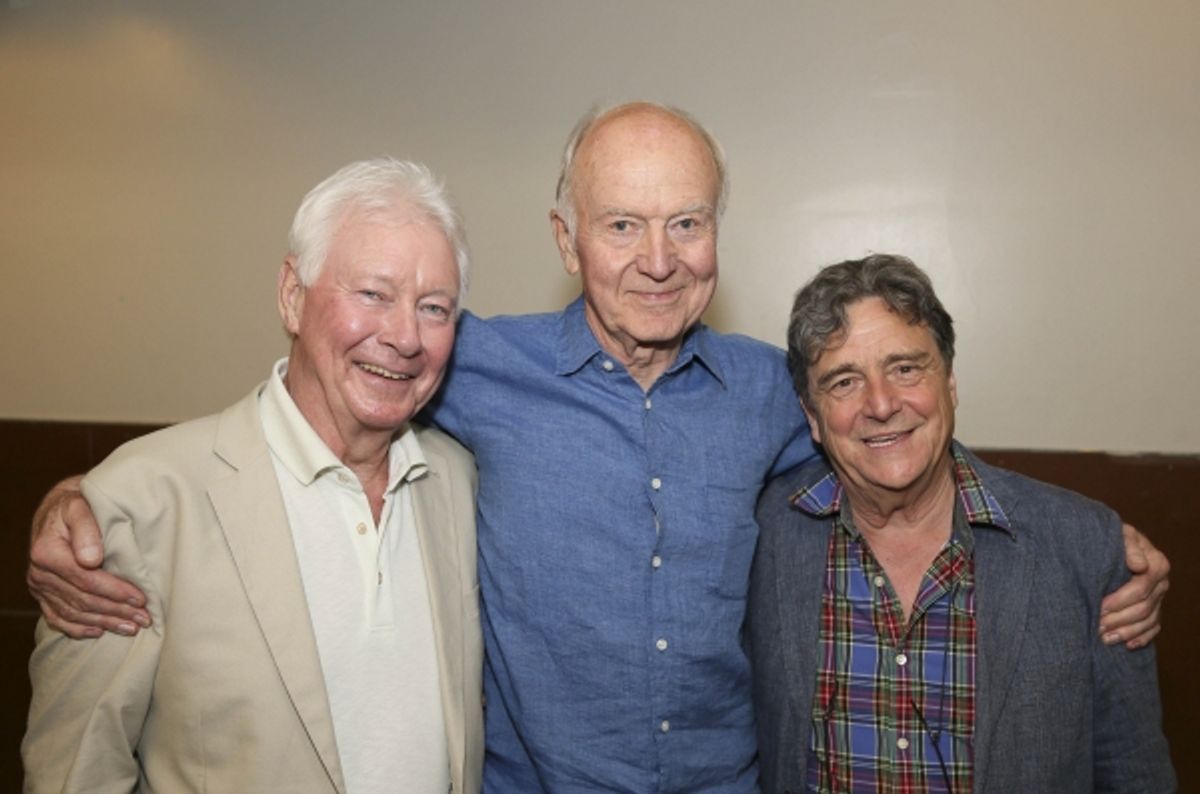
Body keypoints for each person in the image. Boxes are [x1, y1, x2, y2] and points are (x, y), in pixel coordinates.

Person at [27, 104, 1169, 793]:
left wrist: (1085, 543)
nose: (658, 259)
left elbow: (892, 436)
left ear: (718, 234)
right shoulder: (468, 360)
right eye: (623, 224)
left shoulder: (771, 390)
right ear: (567, 239)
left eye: (686, 223)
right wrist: (88, 497)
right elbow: (324, 390)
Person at [22, 159, 484, 793]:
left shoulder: (459, 483)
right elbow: (74, 773)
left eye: (434, 308)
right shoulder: (142, 504)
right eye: (373, 295)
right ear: (292, 296)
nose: (405, 337)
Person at [749, 253, 1175, 792]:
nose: (881, 404)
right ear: (812, 416)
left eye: (905, 369)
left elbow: (1134, 773)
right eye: (844, 382)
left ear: (950, 383)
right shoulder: (760, 536)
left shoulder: (1085, 547)